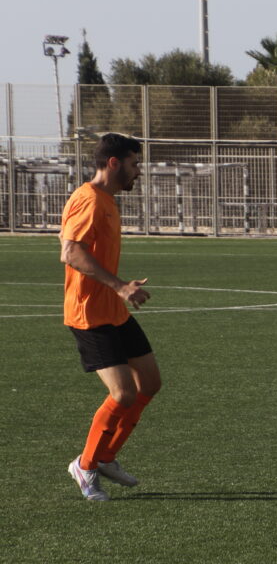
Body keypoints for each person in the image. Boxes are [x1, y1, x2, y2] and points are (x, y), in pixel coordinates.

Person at [60, 133, 161, 501]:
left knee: (149, 383)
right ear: (114, 163)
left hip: (113, 311)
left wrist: (118, 291)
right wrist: (120, 286)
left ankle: (105, 458)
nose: (138, 171)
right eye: (134, 164)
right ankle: (85, 465)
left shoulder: (107, 200)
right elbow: (71, 252)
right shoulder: (88, 199)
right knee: (123, 393)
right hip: (89, 314)